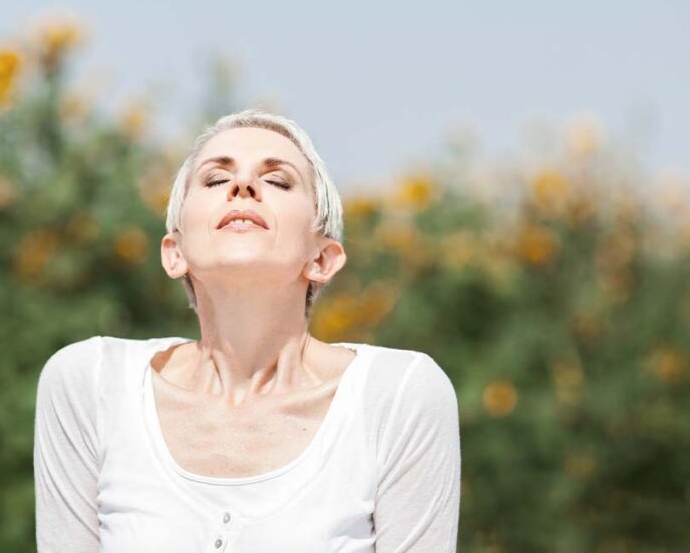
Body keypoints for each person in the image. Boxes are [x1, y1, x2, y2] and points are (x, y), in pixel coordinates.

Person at [34, 107, 461, 552]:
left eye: (278, 181)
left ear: (323, 257)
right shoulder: (91, 384)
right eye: (216, 180)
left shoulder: (398, 396)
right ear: (173, 252)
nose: (242, 187)